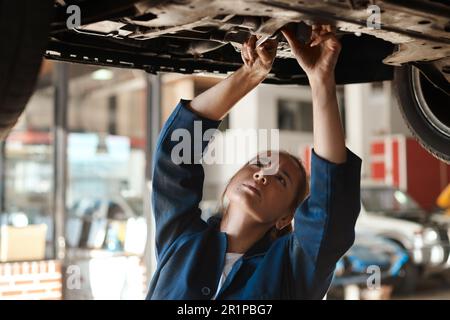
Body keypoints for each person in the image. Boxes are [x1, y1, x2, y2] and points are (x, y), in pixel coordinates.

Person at [146, 25, 362, 300]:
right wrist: (250, 74)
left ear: (285, 218)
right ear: (229, 183)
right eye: (259, 164)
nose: (262, 176)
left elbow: (330, 212)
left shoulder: (291, 269)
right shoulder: (182, 241)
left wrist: (321, 80)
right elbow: (175, 153)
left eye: (281, 179)